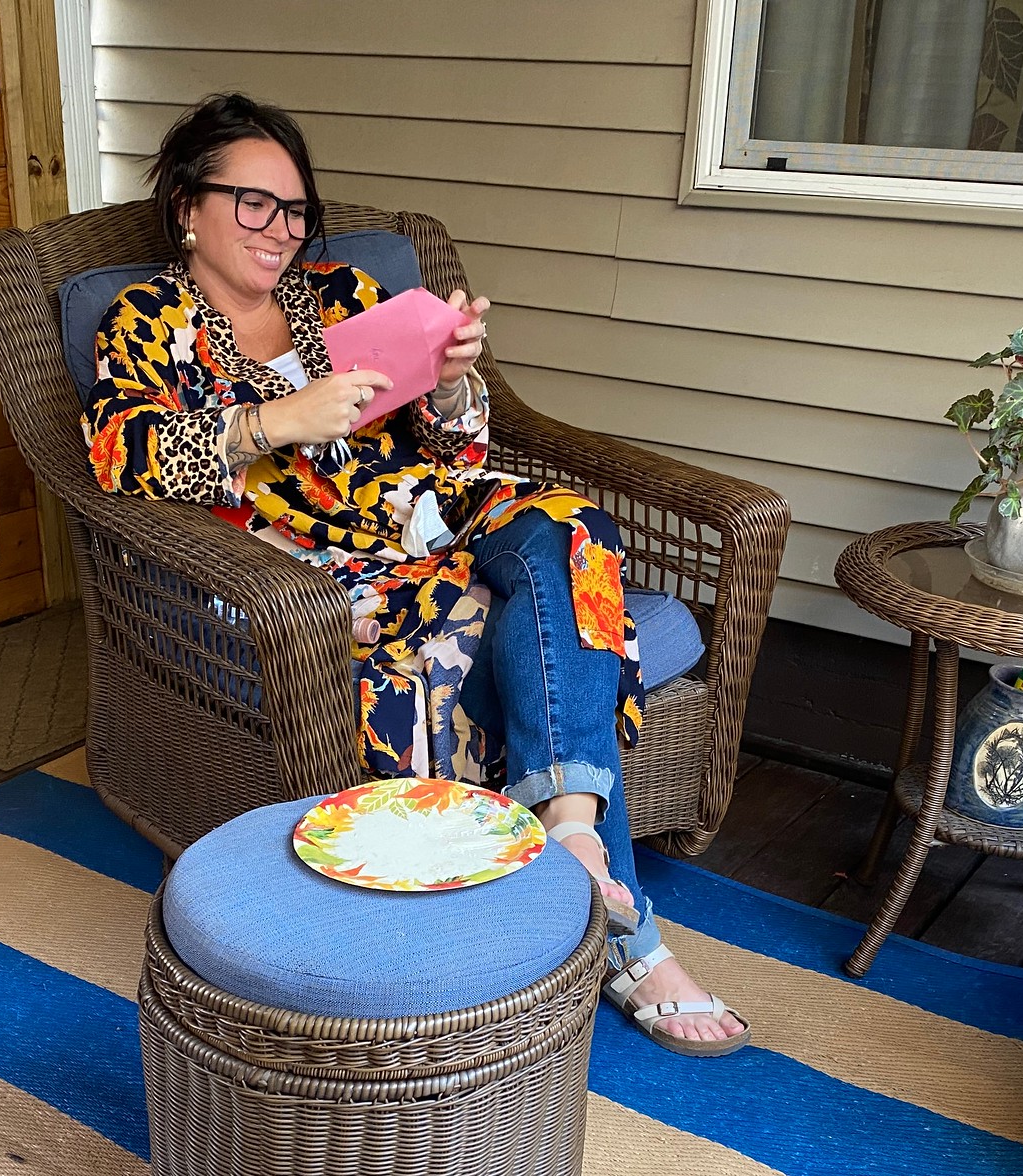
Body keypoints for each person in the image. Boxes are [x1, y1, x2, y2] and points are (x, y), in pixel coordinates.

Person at [84, 92, 748, 1056]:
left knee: (570, 526)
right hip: (313, 563)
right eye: (253, 203)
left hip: (428, 517)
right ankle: (631, 943)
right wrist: (276, 421)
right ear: (189, 206)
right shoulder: (147, 320)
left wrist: (448, 384)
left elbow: (452, 454)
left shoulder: (342, 294)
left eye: (295, 209)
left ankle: (570, 827)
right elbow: (120, 456)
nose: (280, 230)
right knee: (519, 632)